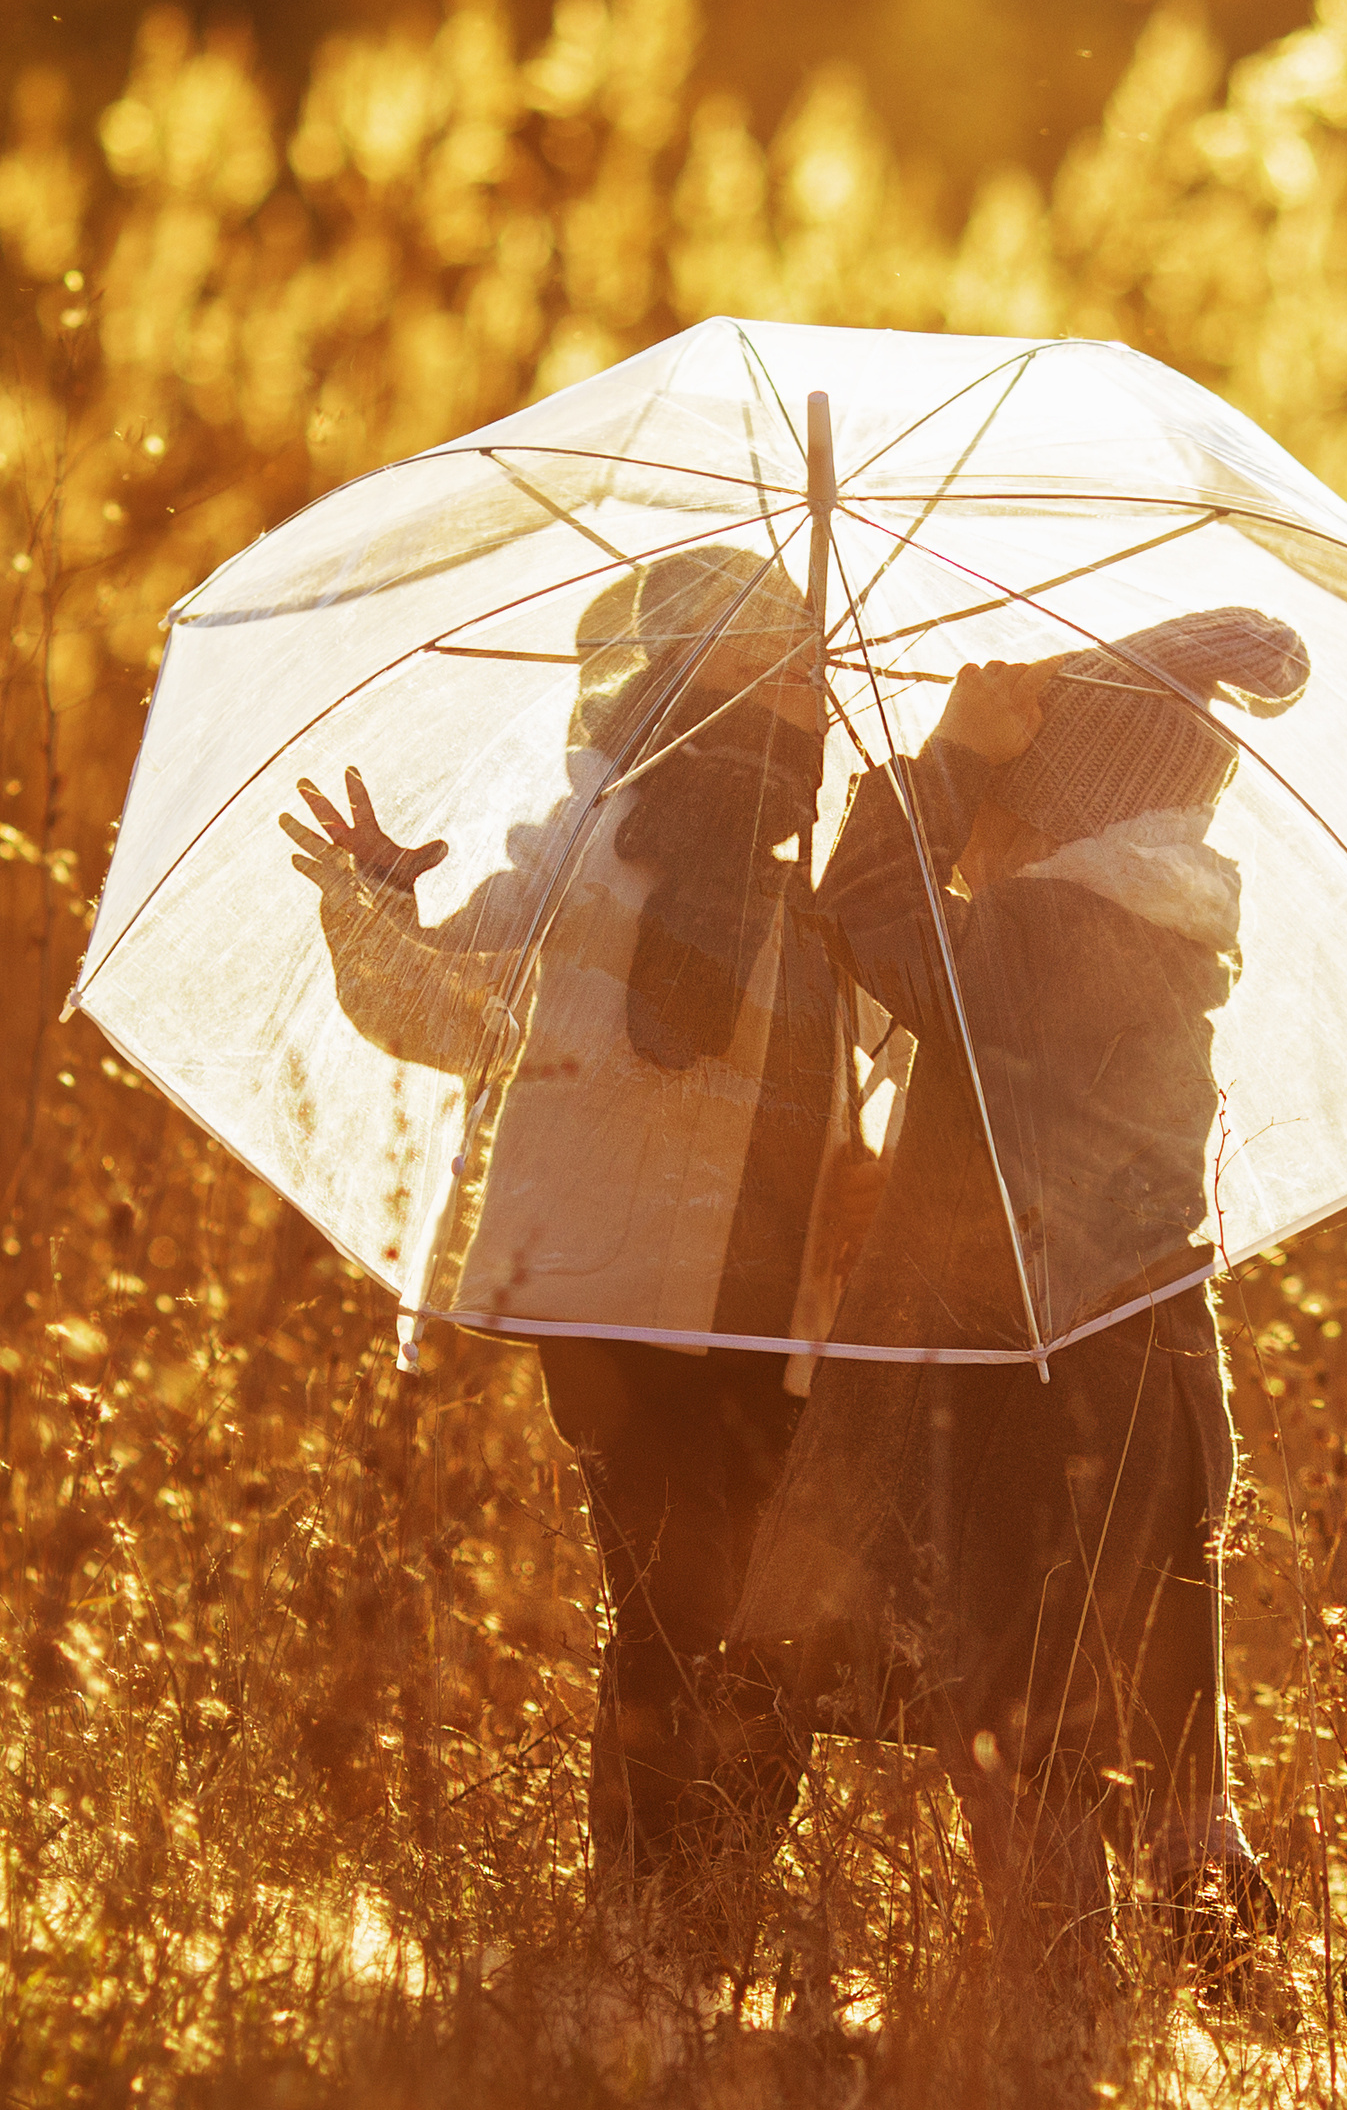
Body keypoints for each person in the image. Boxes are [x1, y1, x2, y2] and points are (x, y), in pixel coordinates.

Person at [280, 544, 879, 1975]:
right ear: (665, 686)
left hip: (777, 1309)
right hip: (609, 1302)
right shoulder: (581, 845)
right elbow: (447, 1015)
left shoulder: (837, 877)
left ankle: (703, 1902)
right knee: (675, 1600)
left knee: (759, 1623)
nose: (781, 698)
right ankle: (648, 1917)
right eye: (746, 667)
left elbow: (913, 1051)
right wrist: (371, 906)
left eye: (795, 669)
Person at [727, 605, 1310, 1998]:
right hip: (1138, 1376)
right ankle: (1182, 1991)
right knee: (1145, 1719)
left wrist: (939, 758)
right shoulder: (1139, 926)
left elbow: (876, 916)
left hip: (1040, 1386)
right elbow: (987, 1095)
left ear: (1066, 802)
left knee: (1018, 1719)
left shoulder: (1070, 922)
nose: (986, 814)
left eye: (1012, 787)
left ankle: (1071, 2025)